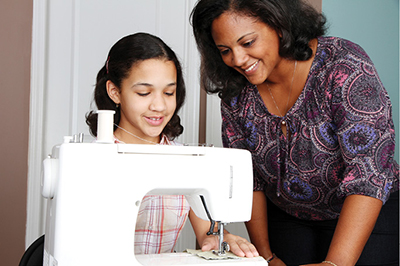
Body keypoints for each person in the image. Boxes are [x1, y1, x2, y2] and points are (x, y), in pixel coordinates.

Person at [191, 1, 399, 265]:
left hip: (362, 210)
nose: (238, 60)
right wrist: (266, 255)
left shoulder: (342, 65)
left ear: (279, 25)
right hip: (288, 216)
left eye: (248, 42)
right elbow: (248, 177)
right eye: (225, 50)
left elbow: (368, 172)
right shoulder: (236, 91)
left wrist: (335, 264)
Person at [85, 32, 259, 257]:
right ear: (115, 92)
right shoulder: (90, 159)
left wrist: (221, 238)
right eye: (144, 92)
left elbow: (208, 232)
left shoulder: (184, 161)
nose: (159, 106)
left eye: (169, 92)